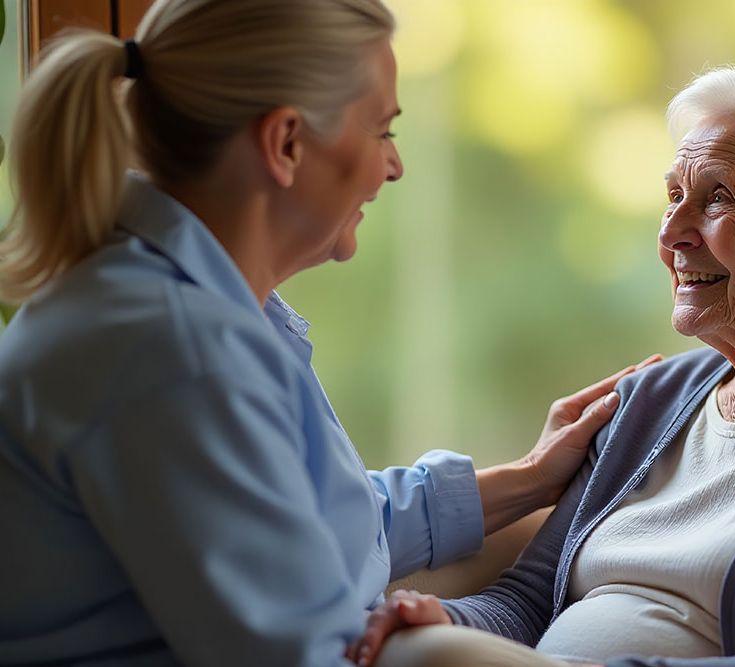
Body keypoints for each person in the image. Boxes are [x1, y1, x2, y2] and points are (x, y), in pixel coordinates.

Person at [0, 0, 659, 664]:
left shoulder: (188, 307)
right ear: (286, 143)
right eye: (382, 130)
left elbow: (304, 523)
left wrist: (531, 478)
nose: (394, 166)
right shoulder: (171, 348)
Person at [354, 65, 735, 667]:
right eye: (674, 195)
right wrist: (446, 621)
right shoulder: (651, 397)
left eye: (718, 199)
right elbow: (524, 602)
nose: (672, 232)